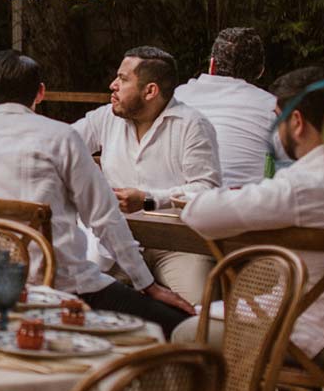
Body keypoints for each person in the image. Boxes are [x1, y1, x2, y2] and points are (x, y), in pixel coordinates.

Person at [0, 50, 195, 332]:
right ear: (40, 93)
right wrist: (147, 285)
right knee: (184, 325)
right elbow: (105, 219)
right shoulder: (63, 140)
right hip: (67, 291)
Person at [182, 66, 324, 368]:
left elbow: (198, 214)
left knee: (185, 333)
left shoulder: (302, 186)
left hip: (316, 336)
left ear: (296, 121)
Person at [73, 46, 222, 303]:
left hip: (176, 245)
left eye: (123, 79)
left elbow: (207, 189)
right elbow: (63, 146)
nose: (113, 85)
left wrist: (149, 199)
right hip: (116, 242)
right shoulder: (106, 118)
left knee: (198, 308)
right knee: (76, 294)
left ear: (150, 91)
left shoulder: (191, 125)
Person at [174, 27, 286, 185]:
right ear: (260, 71)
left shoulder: (177, 97)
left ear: (212, 65)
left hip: (173, 202)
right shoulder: (273, 107)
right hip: (244, 202)